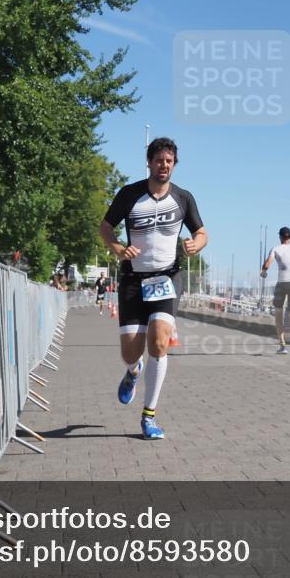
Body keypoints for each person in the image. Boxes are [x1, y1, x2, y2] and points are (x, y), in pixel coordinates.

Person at [99, 138, 207, 440]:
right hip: (134, 280)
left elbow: (201, 231)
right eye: (159, 160)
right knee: (130, 351)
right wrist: (119, 248)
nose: (164, 165)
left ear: (175, 164)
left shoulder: (183, 199)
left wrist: (195, 244)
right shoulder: (130, 194)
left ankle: (149, 416)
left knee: (159, 341)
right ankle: (133, 372)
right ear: (149, 162)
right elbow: (105, 227)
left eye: (169, 161)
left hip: (167, 278)